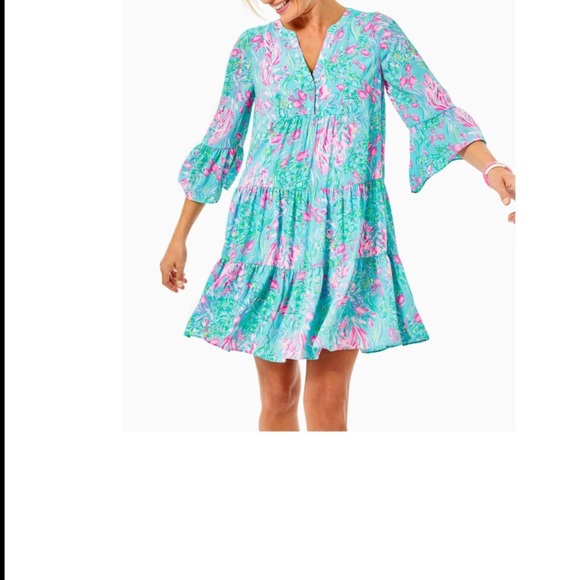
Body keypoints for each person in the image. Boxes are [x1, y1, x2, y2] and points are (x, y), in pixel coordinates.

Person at [159, 0, 516, 432]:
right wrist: (179, 236)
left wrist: (491, 167)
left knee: (328, 402)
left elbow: (433, 111)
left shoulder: (376, 34)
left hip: (345, 235)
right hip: (268, 236)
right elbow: (221, 139)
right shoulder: (253, 47)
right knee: (278, 397)